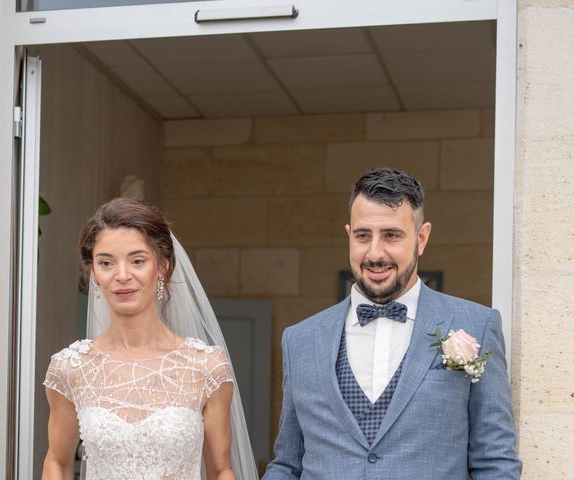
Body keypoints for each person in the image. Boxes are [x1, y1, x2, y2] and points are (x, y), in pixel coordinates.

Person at [263, 168, 522, 479]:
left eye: (392, 235)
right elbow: (287, 464)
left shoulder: (477, 324)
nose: (375, 253)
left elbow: (495, 462)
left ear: (421, 238)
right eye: (362, 236)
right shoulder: (299, 340)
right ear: (348, 236)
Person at [41, 198, 257, 480]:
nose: (122, 275)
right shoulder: (69, 368)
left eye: (137, 261)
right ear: (94, 273)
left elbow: (221, 470)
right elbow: (57, 461)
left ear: (163, 266)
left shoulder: (206, 367)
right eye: (106, 263)